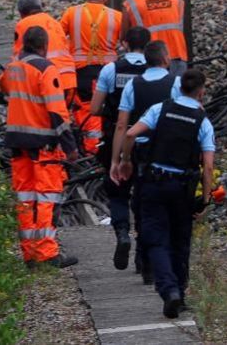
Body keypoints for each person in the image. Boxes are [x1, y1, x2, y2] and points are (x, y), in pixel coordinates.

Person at [116, 69, 216, 319]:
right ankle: (179, 295)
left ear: (180, 86)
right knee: (180, 242)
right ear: (201, 92)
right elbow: (209, 165)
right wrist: (205, 198)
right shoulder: (202, 121)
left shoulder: (160, 109)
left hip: (154, 184)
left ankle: (169, 291)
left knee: (156, 240)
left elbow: (130, 133)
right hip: (183, 189)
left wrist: (125, 160)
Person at [1, 25, 78, 268]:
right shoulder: (46, 69)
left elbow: (3, 90)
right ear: (44, 46)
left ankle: (29, 253)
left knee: (25, 198)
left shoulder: (12, 68)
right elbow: (56, 111)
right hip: (43, 145)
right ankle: (47, 252)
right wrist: (70, 147)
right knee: (47, 197)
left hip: (17, 143)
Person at [106, 40, 182, 277]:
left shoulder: (133, 85)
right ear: (166, 59)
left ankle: (142, 257)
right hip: (167, 152)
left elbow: (122, 125)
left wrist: (117, 159)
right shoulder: (175, 84)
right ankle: (152, 257)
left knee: (141, 201)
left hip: (140, 150)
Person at [88, 27, 149, 271]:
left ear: (123, 43)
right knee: (145, 195)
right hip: (147, 140)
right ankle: (143, 252)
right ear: (148, 44)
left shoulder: (111, 69)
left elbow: (93, 108)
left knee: (118, 191)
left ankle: (122, 232)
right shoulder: (155, 71)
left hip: (117, 135)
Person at [60, 0, 121, 155]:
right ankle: (105, 147)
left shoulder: (71, 13)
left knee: (86, 109)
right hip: (109, 71)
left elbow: (58, 36)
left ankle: (90, 150)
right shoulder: (116, 16)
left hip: (81, 72)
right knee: (110, 108)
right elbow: (127, 42)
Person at [120, 0, 188, 74]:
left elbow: (124, 38)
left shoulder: (131, 4)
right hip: (177, 56)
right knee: (176, 89)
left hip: (150, 59)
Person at [12, 0, 76, 103]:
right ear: (40, 6)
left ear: (21, 13)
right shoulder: (55, 23)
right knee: (61, 116)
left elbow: (18, 59)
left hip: (47, 81)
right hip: (69, 80)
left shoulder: (23, 25)